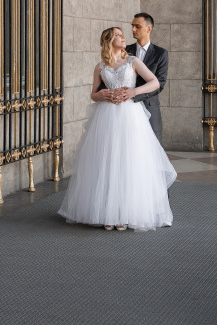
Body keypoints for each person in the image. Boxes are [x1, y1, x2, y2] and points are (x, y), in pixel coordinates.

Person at [58, 26, 176, 231]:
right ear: (109, 40)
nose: (123, 38)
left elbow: (155, 82)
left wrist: (133, 91)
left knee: (128, 161)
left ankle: (126, 212)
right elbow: (93, 94)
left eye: (123, 35)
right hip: (106, 117)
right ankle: (108, 212)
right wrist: (101, 95)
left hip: (130, 116)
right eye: (119, 35)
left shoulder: (132, 61)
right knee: (107, 161)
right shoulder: (100, 66)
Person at [126, 13, 169, 144]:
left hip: (149, 106)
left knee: (153, 146)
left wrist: (135, 95)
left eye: (137, 26)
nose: (133, 29)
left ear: (149, 29)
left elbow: (160, 84)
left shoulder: (161, 53)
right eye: (132, 26)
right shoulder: (125, 51)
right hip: (126, 108)